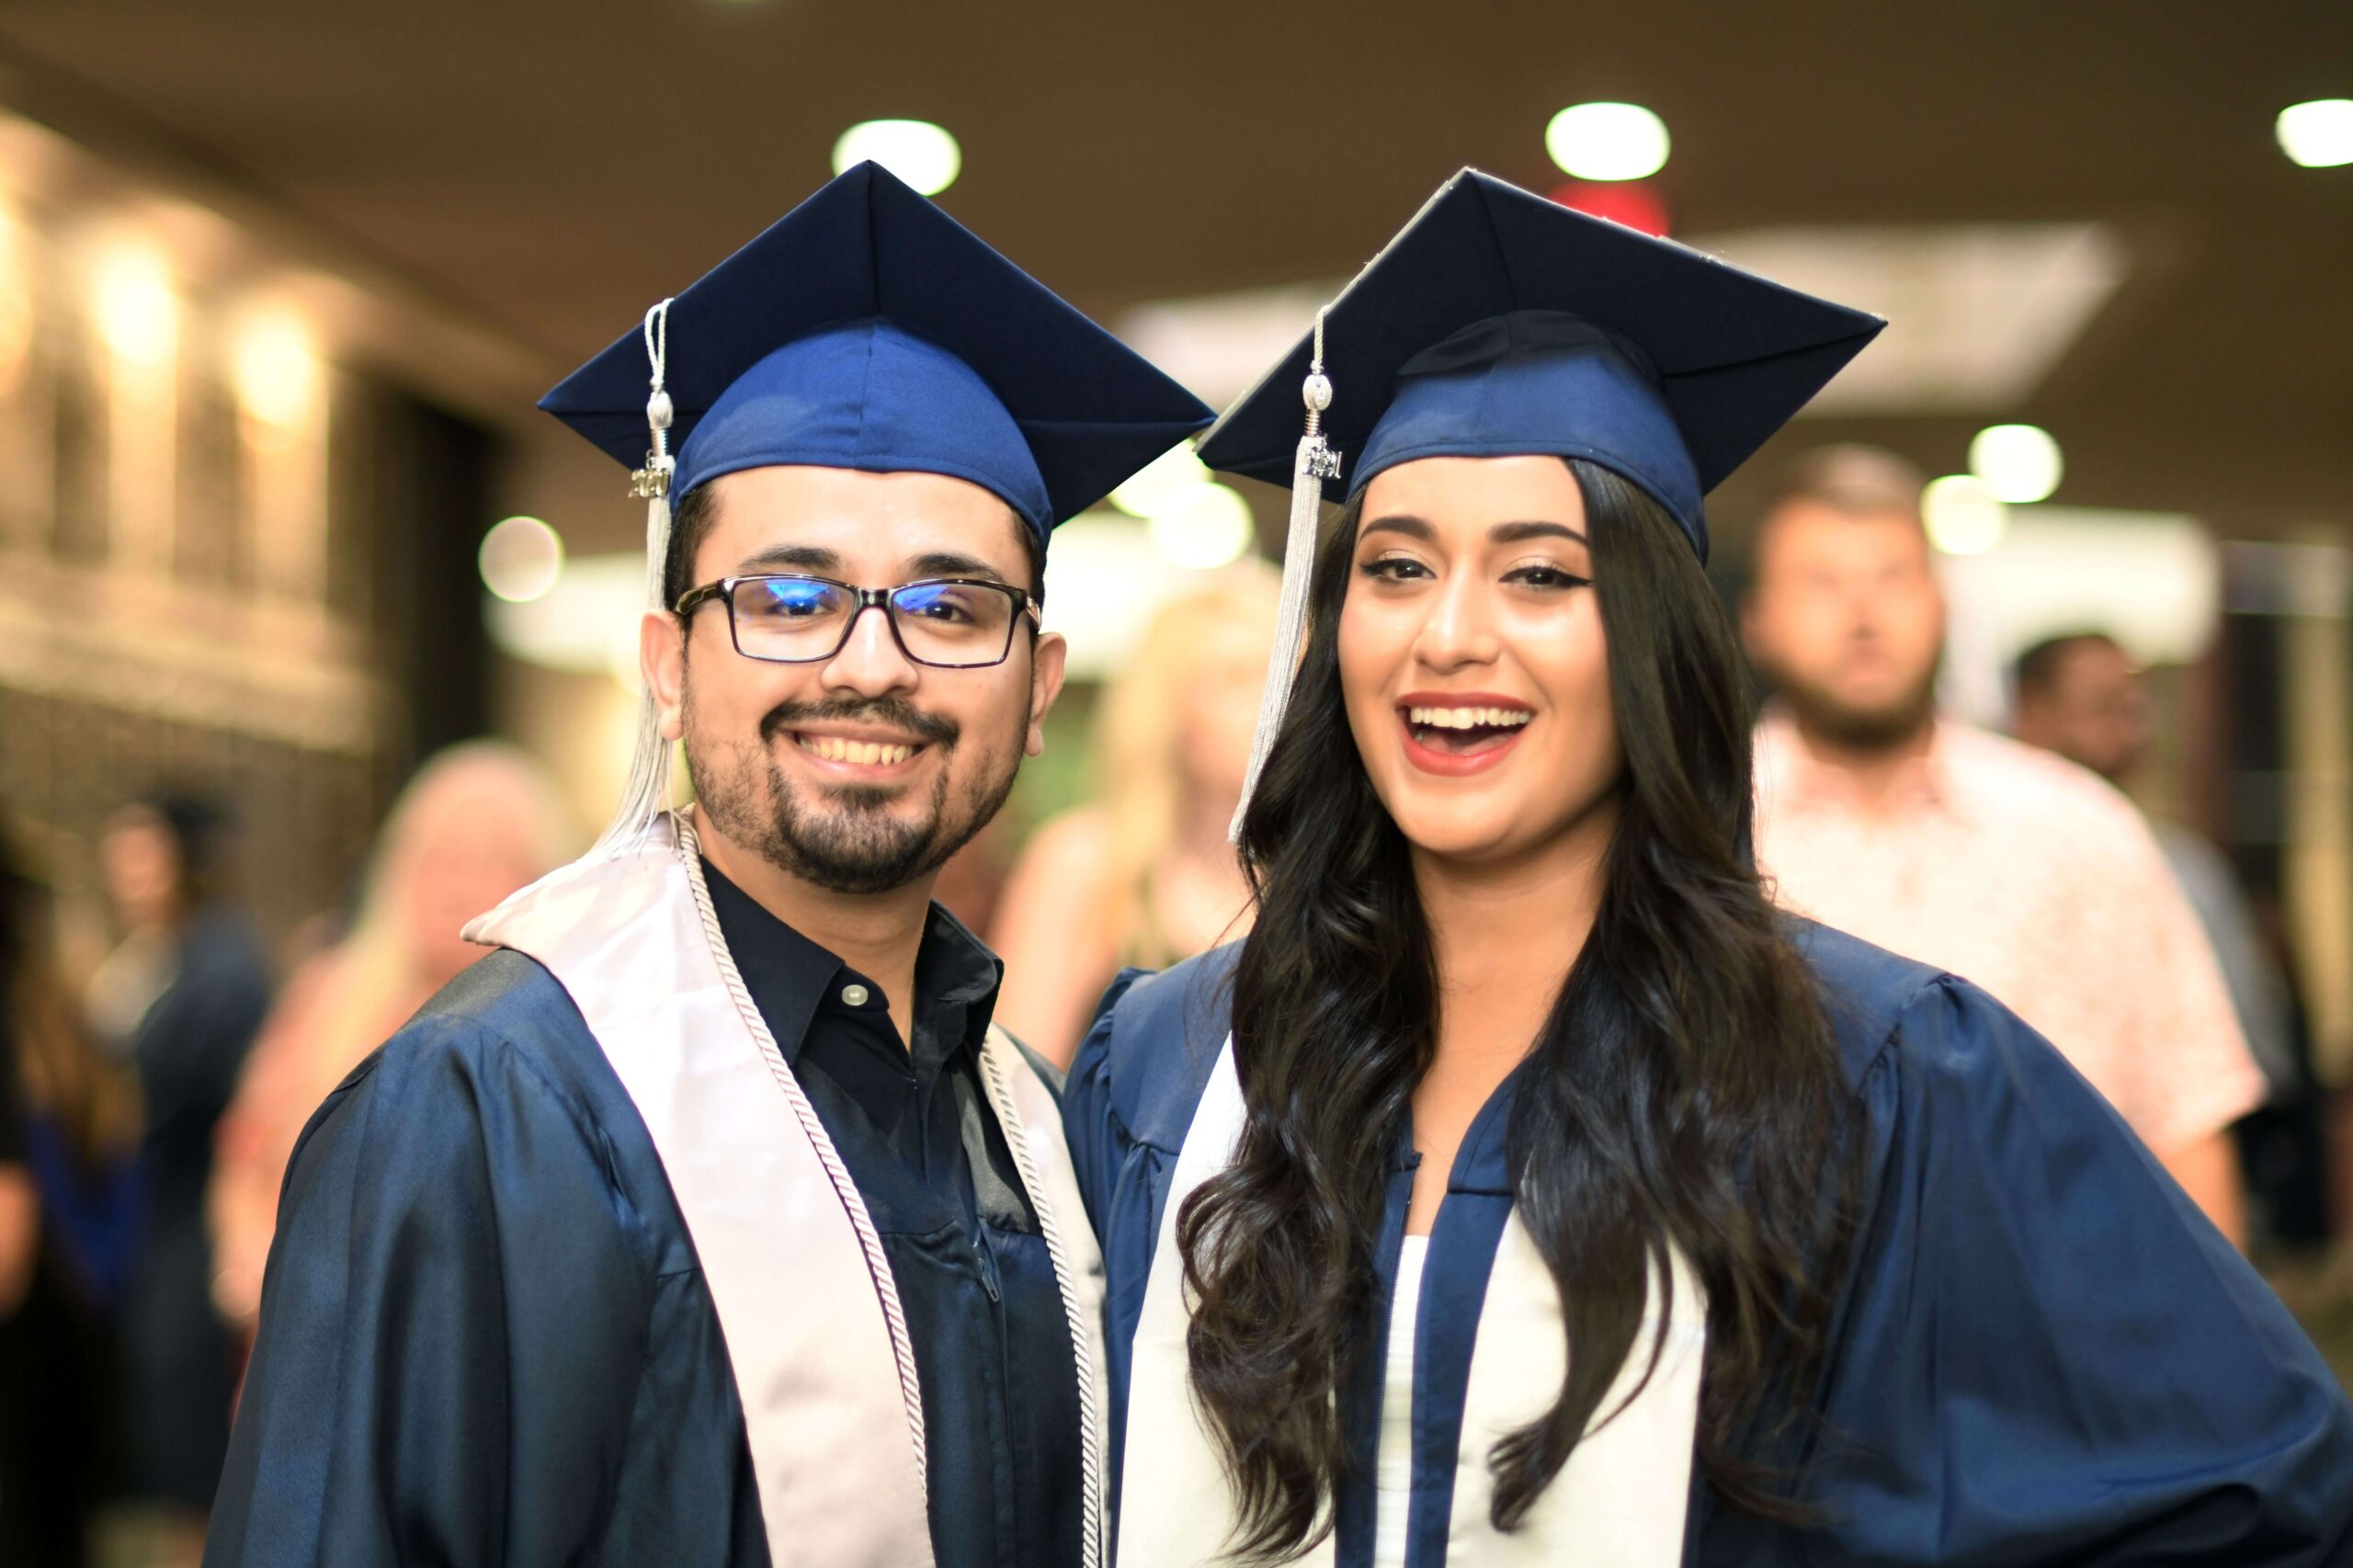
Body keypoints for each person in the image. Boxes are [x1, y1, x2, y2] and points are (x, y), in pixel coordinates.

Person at [1064, 169, 2353, 1566]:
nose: (1448, 636)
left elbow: (2251, 1496)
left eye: (1543, 575)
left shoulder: (1874, 1074)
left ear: (1658, 640)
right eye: (1395, 566)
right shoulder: (1174, 1061)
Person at [206, 163, 1212, 1568]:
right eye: (789, 597)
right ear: (669, 666)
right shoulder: (487, 1112)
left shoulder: (1033, 1127)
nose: (872, 666)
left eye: (949, 603)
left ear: (1039, 686)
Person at [1742, 447, 2264, 1245]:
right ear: (1758, 622)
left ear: (1942, 603)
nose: (1862, 615)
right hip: (1770, 1337)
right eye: (1820, 582)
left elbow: (2184, 1116)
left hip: (2064, 1337)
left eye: (1891, 576)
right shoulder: (1692, 832)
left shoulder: (2078, 830)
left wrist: (2208, 1364)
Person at [207, 741, 580, 1334]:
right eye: (437, 858)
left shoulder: (562, 1034)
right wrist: (250, 1267)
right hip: (302, 1345)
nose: (454, 885)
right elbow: (245, 1152)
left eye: (487, 862)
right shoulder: (328, 989)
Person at [2014, 630, 2329, 1242]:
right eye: (2101, 703)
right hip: (2018, 1205)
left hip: (2164, 1209)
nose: (2129, 725)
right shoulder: (1983, 865)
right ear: (2033, 711)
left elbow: (2246, 1064)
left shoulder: (2186, 868)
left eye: (2135, 704)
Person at [993, 563, 1279, 1067]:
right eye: (1236, 677)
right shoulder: (1086, 866)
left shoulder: (1324, 876)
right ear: (1170, 708)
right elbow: (1017, 1092)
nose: (1273, 703)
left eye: (1285, 674)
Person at [87, 792, 270, 1554]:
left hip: (194, 1225)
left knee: (193, 1454)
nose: (127, 872)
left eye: (145, 853)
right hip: (152, 1223)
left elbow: (181, 1096)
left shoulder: (221, 963)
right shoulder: (154, 952)